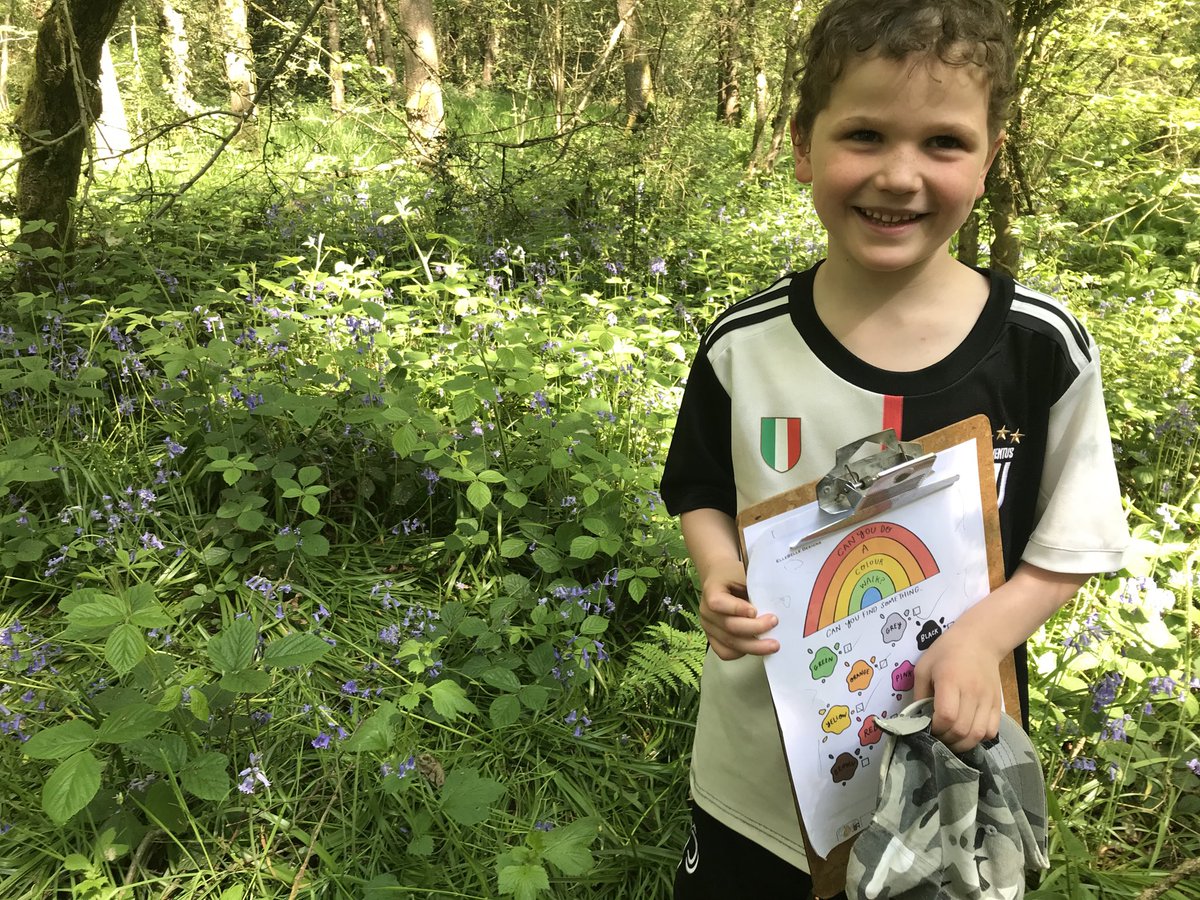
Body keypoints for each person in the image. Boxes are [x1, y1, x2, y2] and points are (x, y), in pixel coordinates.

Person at [660, 1, 1130, 897]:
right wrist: (719, 573)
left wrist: (978, 642)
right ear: (803, 145)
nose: (900, 175)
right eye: (866, 134)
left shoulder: (1039, 347)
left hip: (951, 768)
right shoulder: (742, 346)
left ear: (990, 157)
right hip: (761, 762)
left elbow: (1072, 544)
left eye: (945, 143)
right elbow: (700, 488)